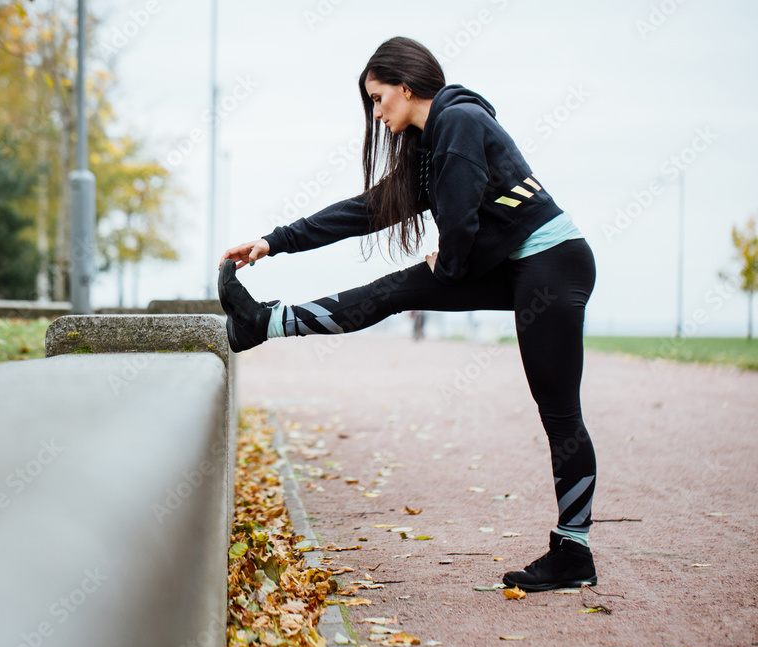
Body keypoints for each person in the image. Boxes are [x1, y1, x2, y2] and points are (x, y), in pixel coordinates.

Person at [217, 36, 598, 592]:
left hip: (553, 265)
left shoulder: (460, 122)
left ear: (405, 85)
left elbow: (463, 225)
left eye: (378, 98)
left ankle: (574, 551)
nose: (376, 112)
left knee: (559, 412)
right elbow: (366, 210)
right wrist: (273, 242)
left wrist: (446, 263)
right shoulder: (431, 143)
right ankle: (264, 323)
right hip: (515, 264)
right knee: (395, 288)